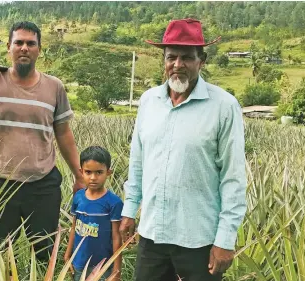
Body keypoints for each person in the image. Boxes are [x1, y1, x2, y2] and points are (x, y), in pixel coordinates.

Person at [119, 18, 247, 281]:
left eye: (186, 58)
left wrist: (225, 239)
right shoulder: (148, 101)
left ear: (202, 60)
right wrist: (129, 210)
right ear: (164, 60)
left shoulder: (224, 106)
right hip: (152, 233)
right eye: (171, 57)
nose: (177, 65)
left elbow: (233, 179)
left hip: (198, 239)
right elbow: (138, 163)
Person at [0, 21, 86, 261]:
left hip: (43, 183)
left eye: (31, 43)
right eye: (19, 42)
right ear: (9, 47)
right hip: (1, 182)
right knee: (0, 253)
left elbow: (63, 133)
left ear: (39, 49)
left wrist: (79, 176)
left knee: (44, 251)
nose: (24, 48)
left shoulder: (54, 86)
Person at [65, 146, 123, 281]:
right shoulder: (78, 197)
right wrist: (68, 255)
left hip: (103, 266)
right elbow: (74, 227)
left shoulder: (114, 203)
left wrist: (116, 270)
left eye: (99, 172)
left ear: (108, 172)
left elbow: (116, 237)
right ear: (81, 172)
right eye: (88, 172)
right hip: (78, 262)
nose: (93, 177)